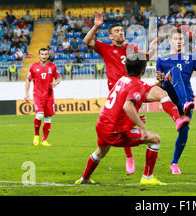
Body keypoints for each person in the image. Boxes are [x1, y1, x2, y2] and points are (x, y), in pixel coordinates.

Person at [83, 12, 188, 175]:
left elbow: (144, 58)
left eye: (121, 30)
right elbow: (87, 41)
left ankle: (177, 119)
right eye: (116, 31)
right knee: (122, 128)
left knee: (158, 95)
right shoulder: (106, 48)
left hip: (134, 87)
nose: (120, 32)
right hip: (118, 92)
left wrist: (152, 50)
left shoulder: (131, 48)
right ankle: (129, 157)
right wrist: (96, 26)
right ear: (110, 36)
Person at [75, 53, 178, 186]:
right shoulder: (136, 84)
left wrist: (157, 84)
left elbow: (130, 99)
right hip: (114, 131)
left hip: (102, 125)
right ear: (143, 69)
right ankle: (147, 177)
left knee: (100, 152)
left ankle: (84, 179)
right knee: (155, 139)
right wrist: (141, 126)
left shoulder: (122, 79)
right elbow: (127, 105)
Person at [156, 28, 196, 174]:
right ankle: (184, 104)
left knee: (184, 129)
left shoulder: (190, 58)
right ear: (170, 41)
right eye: (176, 39)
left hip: (188, 97)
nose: (179, 41)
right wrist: (159, 81)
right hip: (171, 96)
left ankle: (174, 163)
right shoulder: (162, 60)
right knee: (175, 70)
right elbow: (159, 83)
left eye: (181, 39)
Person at [25, 48, 61, 147]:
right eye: (42, 54)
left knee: (48, 118)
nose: (44, 56)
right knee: (40, 115)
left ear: (48, 55)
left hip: (49, 96)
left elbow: (58, 78)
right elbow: (28, 80)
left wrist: (56, 82)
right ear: (39, 55)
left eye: (46, 54)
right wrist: (26, 93)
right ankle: (36, 135)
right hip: (38, 95)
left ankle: (44, 140)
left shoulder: (52, 66)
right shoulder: (33, 67)